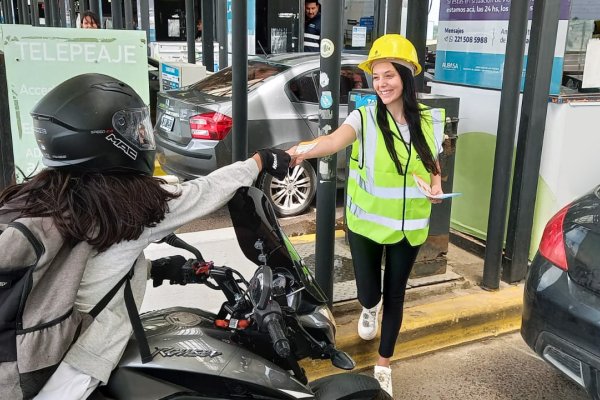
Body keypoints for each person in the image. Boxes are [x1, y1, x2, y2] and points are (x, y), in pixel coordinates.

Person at [0, 73, 290, 399]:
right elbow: (207, 191)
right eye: (130, 128)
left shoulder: (47, 193)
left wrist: (160, 269)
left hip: (27, 356)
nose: (141, 136)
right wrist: (260, 161)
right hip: (69, 370)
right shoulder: (126, 202)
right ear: (103, 138)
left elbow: (89, 269)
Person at [288, 34, 445, 397]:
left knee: (396, 294)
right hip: (367, 226)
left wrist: (436, 187)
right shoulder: (364, 117)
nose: (381, 83)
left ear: (406, 76)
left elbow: (433, 163)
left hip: (410, 228)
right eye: (376, 77)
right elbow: (331, 141)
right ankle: (368, 308)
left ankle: (383, 363)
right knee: (369, 292)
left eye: (388, 74)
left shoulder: (429, 119)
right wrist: (299, 150)